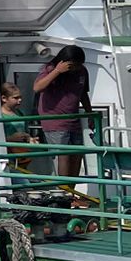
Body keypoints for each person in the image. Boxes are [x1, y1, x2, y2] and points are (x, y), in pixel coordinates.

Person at [34, 45, 90, 179]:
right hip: (54, 120)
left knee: (77, 154)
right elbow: (37, 88)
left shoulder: (82, 71)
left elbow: (83, 94)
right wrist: (57, 71)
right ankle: (63, 189)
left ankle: (71, 189)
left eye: (79, 65)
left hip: (73, 119)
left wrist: (90, 114)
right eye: (73, 65)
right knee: (63, 154)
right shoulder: (49, 69)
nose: (76, 68)